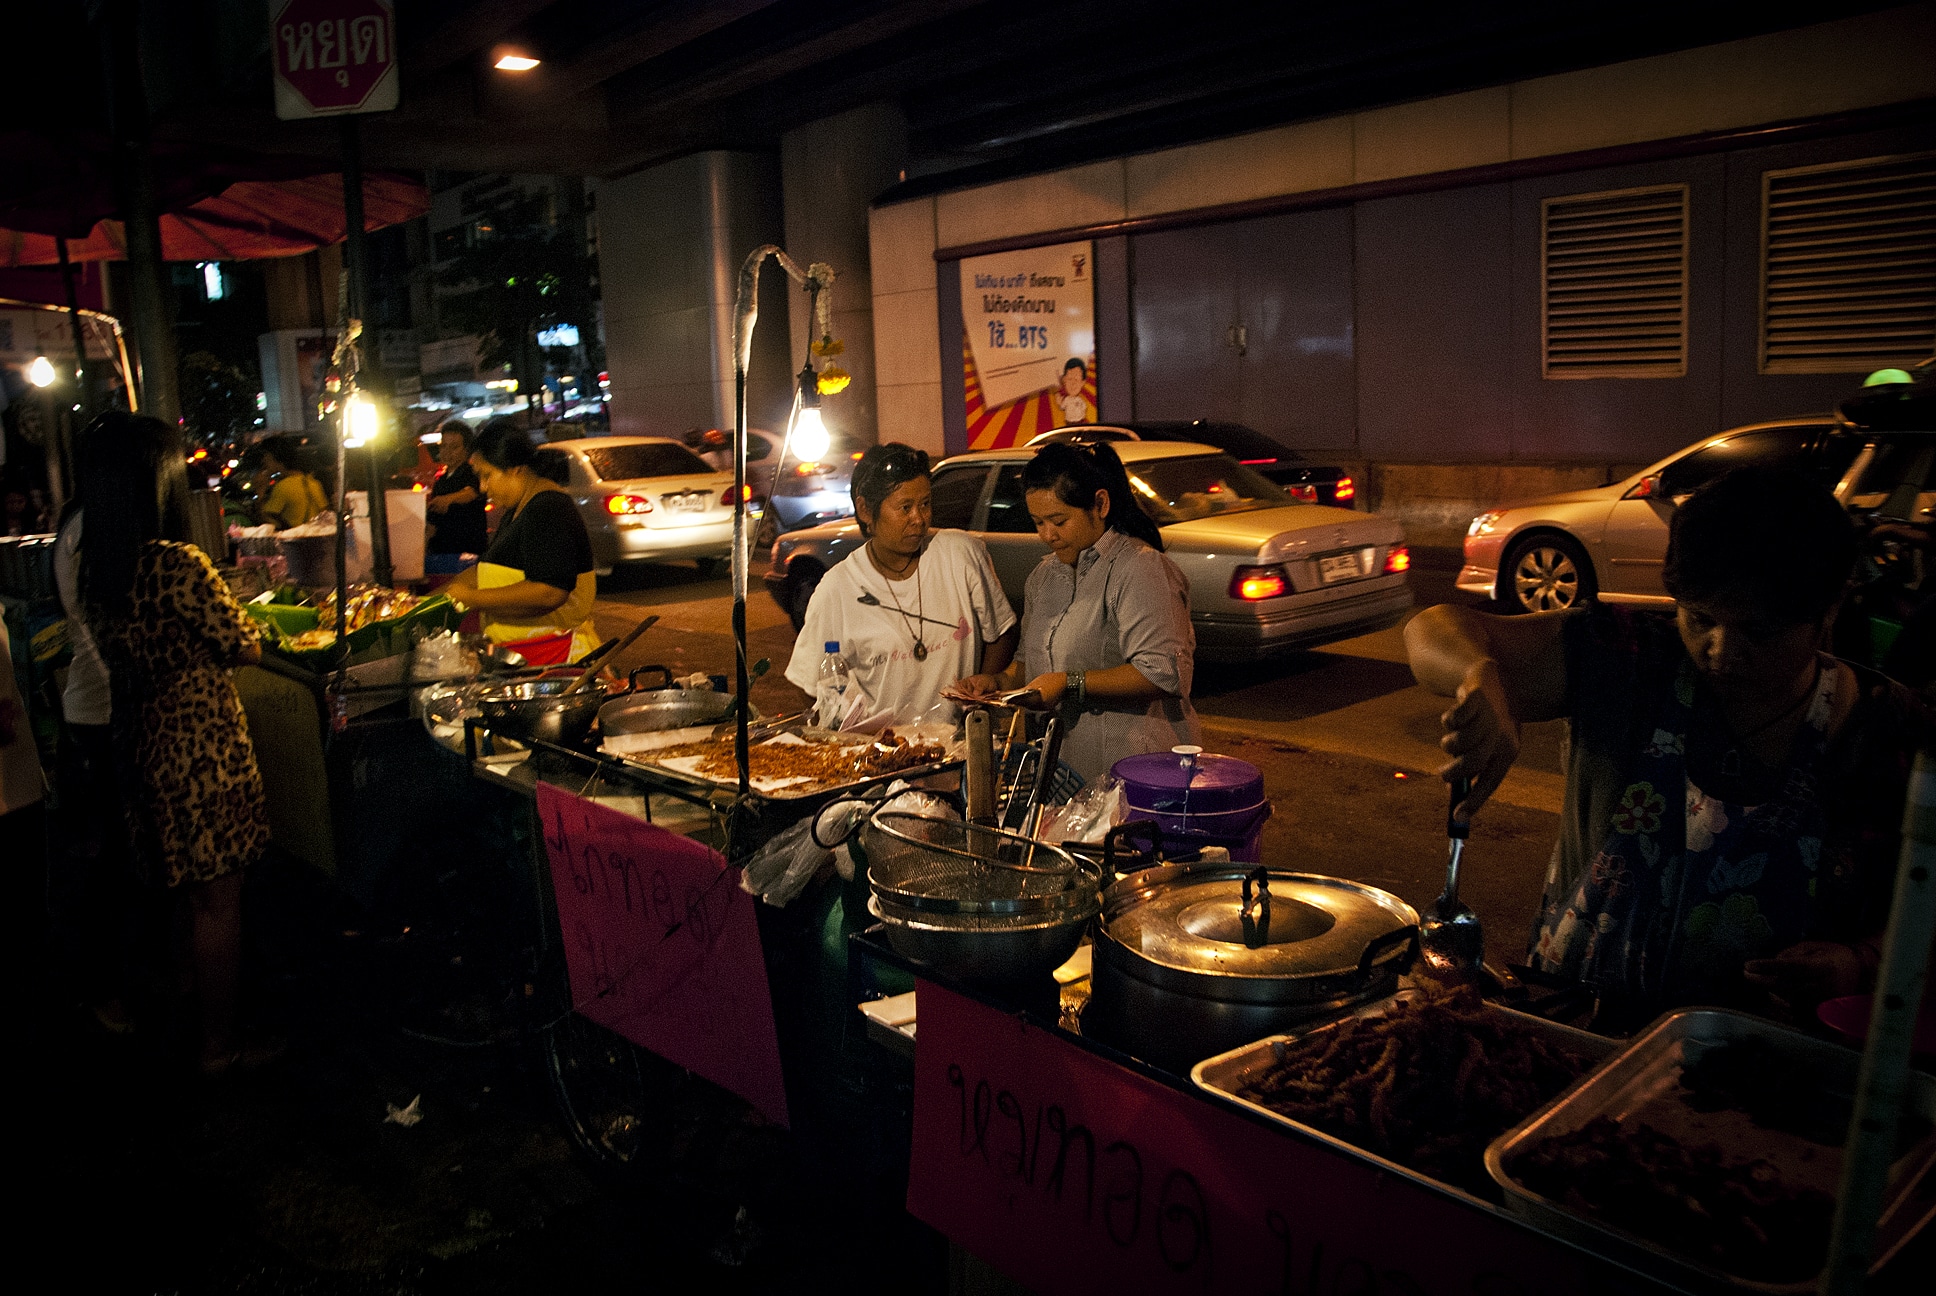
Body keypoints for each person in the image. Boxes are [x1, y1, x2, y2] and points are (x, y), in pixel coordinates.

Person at [1406, 466, 1933, 1030]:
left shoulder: (1885, 727)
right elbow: (1434, 629)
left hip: (1764, 1062)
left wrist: (1861, 962)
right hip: (1574, 1030)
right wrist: (1479, 674)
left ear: (1827, 614)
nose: (1722, 651)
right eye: (1701, 618)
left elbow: (1926, 895)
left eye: (1761, 633)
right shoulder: (1629, 660)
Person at [80, 411, 273, 1076]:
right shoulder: (176, 563)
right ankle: (219, 1047)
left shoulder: (95, 567)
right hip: (201, 746)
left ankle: (188, 1016)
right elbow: (243, 643)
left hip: (139, 737)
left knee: (182, 892)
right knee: (220, 899)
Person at [955, 441, 1200, 780]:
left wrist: (1069, 683)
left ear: (1100, 504)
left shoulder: (1140, 569)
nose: (1047, 535)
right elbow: (1029, 666)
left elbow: (1163, 671)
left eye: (1058, 520)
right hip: (1062, 777)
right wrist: (995, 683)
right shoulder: (1042, 578)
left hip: (1137, 775)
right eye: (1038, 522)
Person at [785, 443, 1017, 728]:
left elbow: (1002, 632)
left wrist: (983, 691)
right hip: (884, 756)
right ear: (865, 510)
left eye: (925, 504)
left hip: (960, 748)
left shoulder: (960, 554)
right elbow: (808, 682)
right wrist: (846, 732)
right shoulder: (837, 588)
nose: (918, 519)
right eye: (905, 507)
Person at [443, 418, 599, 662]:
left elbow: (549, 591)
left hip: (556, 660)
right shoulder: (517, 510)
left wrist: (472, 598)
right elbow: (490, 570)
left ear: (515, 468)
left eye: (487, 475)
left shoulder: (548, 508)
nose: (483, 487)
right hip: (525, 658)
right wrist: (437, 599)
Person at [425, 420, 488, 555]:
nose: (447, 452)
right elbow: (432, 524)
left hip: (467, 554)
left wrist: (449, 499)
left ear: (466, 450)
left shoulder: (472, 473)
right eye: (443, 446)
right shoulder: (441, 481)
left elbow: (471, 492)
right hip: (442, 553)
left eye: (454, 447)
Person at [253, 435, 329, 530]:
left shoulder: (283, 486)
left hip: (294, 541)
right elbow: (325, 513)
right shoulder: (313, 483)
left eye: (266, 456)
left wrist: (260, 491)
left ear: (274, 457)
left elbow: (267, 521)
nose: (263, 460)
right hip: (314, 538)